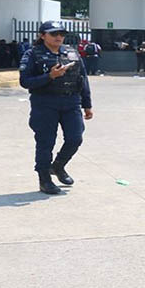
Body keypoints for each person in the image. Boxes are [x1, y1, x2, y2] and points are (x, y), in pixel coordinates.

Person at [19, 21, 94, 195]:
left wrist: (87, 104)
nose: (59, 37)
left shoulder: (71, 53)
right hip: (45, 103)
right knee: (46, 143)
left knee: (75, 138)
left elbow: (82, 78)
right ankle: (44, 179)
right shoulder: (32, 54)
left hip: (71, 102)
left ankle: (58, 166)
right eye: (54, 34)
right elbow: (25, 81)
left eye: (61, 34)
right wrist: (50, 76)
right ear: (42, 36)